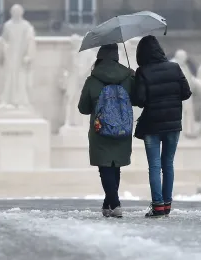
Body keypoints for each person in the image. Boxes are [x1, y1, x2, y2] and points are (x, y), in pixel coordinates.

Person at [132, 35, 192, 218]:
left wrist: (135, 82)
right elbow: (186, 93)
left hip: (152, 124)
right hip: (173, 124)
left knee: (154, 166)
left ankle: (157, 206)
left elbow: (139, 101)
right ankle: (166, 205)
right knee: (168, 164)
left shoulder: (143, 71)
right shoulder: (175, 68)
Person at [78, 43, 135, 218]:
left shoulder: (93, 79)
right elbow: (139, 98)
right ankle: (108, 203)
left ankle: (115, 203)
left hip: (100, 129)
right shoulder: (127, 77)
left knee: (105, 166)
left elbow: (83, 108)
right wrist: (133, 77)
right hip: (123, 129)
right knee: (115, 165)